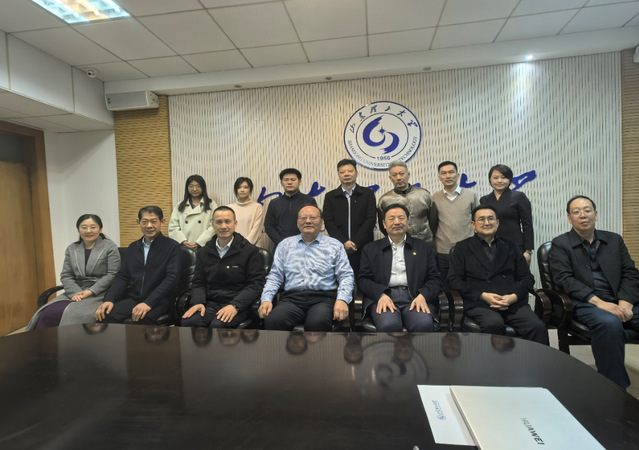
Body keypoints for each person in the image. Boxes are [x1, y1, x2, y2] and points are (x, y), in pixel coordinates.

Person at [549, 195, 639, 389]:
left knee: (617, 317)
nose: (583, 215)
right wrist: (600, 303)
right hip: (585, 303)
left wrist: (625, 303)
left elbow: (630, 273)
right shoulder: (560, 244)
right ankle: (614, 388)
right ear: (569, 218)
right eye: (576, 212)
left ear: (596, 214)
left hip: (619, 299)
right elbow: (564, 280)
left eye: (587, 210)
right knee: (610, 322)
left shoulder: (614, 240)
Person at [448, 205, 548, 345]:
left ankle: (534, 360)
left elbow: (527, 278)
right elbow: (454, 280)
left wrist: (513, 297)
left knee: (537, 327)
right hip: (480, 303)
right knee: (493, 324)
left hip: (511, 302)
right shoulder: (462, 248)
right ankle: (493, 360)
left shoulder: (511, 246)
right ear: (473, 225)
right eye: (481, 219)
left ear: (497, 222)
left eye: (490, 218)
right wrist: (483, 295)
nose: (487, 223)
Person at [258, 204, 354, 331]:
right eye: (303, 218)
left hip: (323, 299)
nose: (308, 221)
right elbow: (275, 277)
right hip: (292, 299)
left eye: (313, 217)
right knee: (274, 320)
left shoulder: (335, 246)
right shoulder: (285, 245)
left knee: (317, 323)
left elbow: (346, 275)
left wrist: (342, 299)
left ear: (321, 222)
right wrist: (266, 299)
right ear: (297, 222)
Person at [25, 214, 120, 330]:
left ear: (100, 229)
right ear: (78, 230)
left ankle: (69, 341)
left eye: (93, 227)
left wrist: (90, 292)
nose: (88, 231)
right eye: (84, 227)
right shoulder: (72, 249)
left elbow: (112, 274)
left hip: (100, 292)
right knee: (47, 313)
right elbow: (66, 275)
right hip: (75, 291)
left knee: (76, 314)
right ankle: (44, 341)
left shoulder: (110, 247)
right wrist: (76, 293)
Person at [358, 204, 442, 332]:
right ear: (384, 224)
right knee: (389, 325)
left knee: (423, 325)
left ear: (408, 221)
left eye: (401, 218)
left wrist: (423, 295)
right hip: (385, 296)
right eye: (391, 219)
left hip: (414, 297)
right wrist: (380, 294)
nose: (397, 222)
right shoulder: (371, 249)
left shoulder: (423, 248)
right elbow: (363, 280)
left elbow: (435, 279)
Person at [181, 206, 266, 328]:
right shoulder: (204, 252)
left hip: (238, 304)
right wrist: (198, 302)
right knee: (189, 322)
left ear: (235, 223)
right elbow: (199, 282)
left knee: (218, 325)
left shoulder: (249, 251)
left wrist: (235, 305)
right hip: (210, 304)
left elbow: (256, 284)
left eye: (227, 221)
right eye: (219, 222)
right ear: (213, 224)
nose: (223, 226)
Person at [96, 206, 181, 325]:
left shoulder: (172, 247)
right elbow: (122, 277)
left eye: (154, 221)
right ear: (138, 222)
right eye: (145, 221)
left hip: (161, 300)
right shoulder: (133, 247)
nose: (149, 226)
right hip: (135, 298)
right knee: (105, 315)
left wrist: (148, 303)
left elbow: (171, 279)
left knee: (142, 318)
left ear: (162, 222)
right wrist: (109, 299)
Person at [323, 159, 376, 277]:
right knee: (340, 279)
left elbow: (370, 219)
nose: (346, 174)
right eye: (342, 172)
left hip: (363, 246)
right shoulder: (330, 196)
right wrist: (344, 242)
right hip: (339, 247)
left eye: (350, 171)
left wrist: (355, 242)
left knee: (364, 279)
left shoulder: (368, 194)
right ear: (338, 175)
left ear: (357, 173)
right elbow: (329, 221)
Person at [432, 161, 480, 288]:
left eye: (451, 172)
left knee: (470, 286)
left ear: (458, 175)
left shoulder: (471, 195)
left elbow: (478, 221)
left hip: (468, 250)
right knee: (446, 287)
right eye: (443, 173)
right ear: (439, 177)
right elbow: (432, 223)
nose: (448, 176)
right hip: (443, 251)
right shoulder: (434, 198)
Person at [480, 164, 534, 264]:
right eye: (495, 177)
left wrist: (528, 251)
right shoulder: (484, 200)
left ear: (509, 179)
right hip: (491, 247)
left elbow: (527, 225)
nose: (499, 181)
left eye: (503, 177)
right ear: (490, 180)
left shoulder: (519, 197)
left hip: (515, 246)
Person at [377, 160, 437, 244]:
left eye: (402, 174)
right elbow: (383, 226)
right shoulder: (385, 200)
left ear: (408, 174)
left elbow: (434, 221)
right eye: (394, 175)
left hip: (426, 242)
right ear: (390, 178)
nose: (398, 178)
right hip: (399, 244)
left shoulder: (424, 195)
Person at [264, 168, 317, 247]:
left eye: (293, 179)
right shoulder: (274, 203)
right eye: (286, 180)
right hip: (281, 246)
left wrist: (300, 241)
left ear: (299, 182)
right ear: (281, 183)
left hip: (304, 245)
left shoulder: (309, 201)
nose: (289, 182)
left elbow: (314, 223)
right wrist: (283, 242)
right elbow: (269, 226)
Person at [168, 175, 218, 249]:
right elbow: (173, 227)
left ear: (203, 188)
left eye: (198, 186)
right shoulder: (180, 205)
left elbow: (215, 226)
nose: (194, 189)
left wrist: (199, 242)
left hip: (205, 245)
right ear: (187, 188)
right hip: (184, 247)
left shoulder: (211, 204)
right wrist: (183, 241)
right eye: (191, 186)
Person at [227, 177, 263, 245]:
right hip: (233, 245)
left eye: (245, 187)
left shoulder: (257, 207)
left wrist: (245, 244)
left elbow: (256, 229)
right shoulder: (229, 208)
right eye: (239, 187)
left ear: (250, 189)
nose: (242, 190)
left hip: (252, 246)